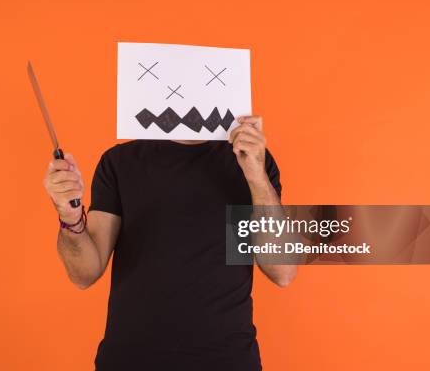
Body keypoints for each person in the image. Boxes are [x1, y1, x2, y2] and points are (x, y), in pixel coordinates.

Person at [43, 115, 297, 371]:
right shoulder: (119, 162)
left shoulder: (250, 160)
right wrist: (70, 217)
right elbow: (84, 274)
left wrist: (256, 176)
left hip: (228, 361)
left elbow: (283, 271)